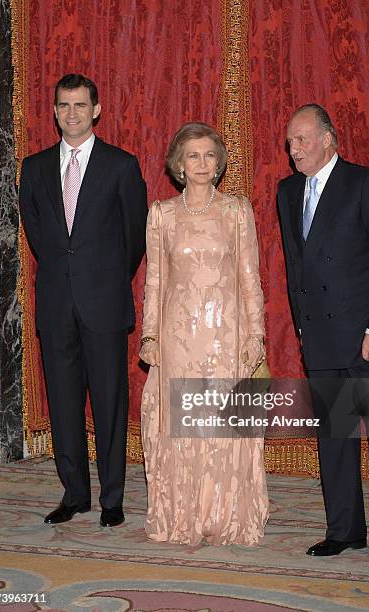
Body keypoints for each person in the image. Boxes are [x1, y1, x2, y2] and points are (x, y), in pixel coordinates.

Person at [277, 104, 369, 567]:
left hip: (367, 337)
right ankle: (345, 531)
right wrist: (300, 325)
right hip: (320, 337)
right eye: (290, 141)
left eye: (303, 139)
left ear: (329, 138)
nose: (294, 149)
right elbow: (297, 266)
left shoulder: (365, 183)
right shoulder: (287, 190)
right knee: (333, 440)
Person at [19, 74, 147, 527]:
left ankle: (112, 498)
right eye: (63, 105)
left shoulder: (121, 165)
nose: (71, 113)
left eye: (79, 105)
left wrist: (105, 279)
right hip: (55, 303)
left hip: (105, 302)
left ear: (96, 110)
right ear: (53, 111)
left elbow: (134, 238)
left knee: (110, 401)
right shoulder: (33, 168)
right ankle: (75, 494)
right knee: (64, 402)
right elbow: (39, 236)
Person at [139, 122, 269, 545]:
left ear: (219, 163)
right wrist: (151, 336)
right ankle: (185, 516)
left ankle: (227, 515)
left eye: (209, 155)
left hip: (226, 334)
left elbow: (250, 277)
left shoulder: (236, 210)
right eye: (192, 155)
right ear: (179, 163)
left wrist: (256, 334)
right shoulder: (161, 213)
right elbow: (154, 281)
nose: (200, 163)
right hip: (179, 335)